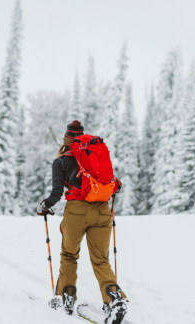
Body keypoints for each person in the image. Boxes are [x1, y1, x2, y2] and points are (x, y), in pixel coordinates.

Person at [37, 120, 128, 324]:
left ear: (66, 139)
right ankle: (114, 298)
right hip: (102, 211)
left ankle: (66, 297)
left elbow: (56, 194)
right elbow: (113, 185)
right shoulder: (94, 153)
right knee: (101, 259)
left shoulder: (61, 161)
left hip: (76, 212)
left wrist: (44, 206)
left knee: (69, 254)